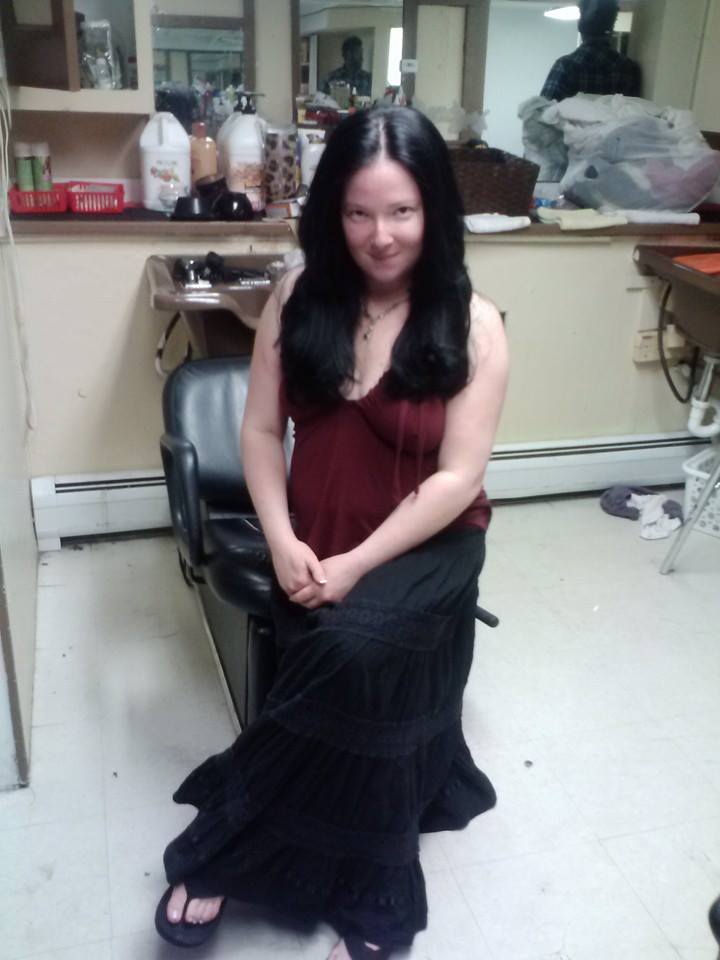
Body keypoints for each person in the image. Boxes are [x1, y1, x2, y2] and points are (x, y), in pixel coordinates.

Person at [155, 106, 508, 960]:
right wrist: (280, 537)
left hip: (428, 549)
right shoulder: (298, 297)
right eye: (358, 212)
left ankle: (237, 852)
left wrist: (354, 566)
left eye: (402, 211)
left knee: (350, 658)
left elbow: (458, 478)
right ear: (331, 213)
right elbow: (257, 431)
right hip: (313, 537)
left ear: (433, 210)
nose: (381, 236)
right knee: (349, 693)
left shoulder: (474, 323)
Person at [540, 0, 641, 102]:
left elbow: (542, 109)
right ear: (612, 26)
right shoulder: (627, 68)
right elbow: (635, 109)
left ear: (580, 26)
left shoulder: (565, 66)